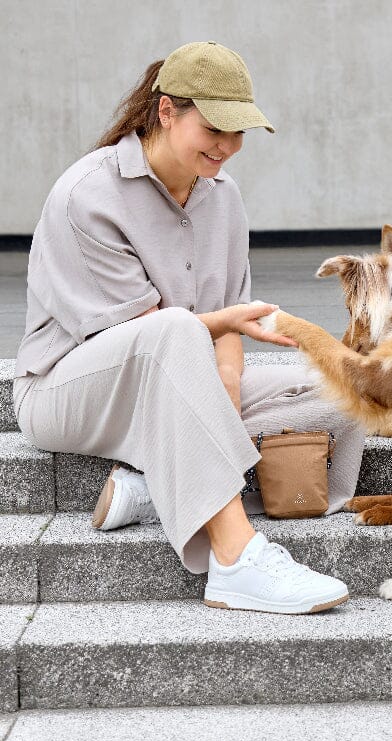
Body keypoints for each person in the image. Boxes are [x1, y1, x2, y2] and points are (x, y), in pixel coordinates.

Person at [13, 41, 365, 614]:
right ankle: (234, 559)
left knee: (337, 396)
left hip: (173, 376)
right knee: (175, 329)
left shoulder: (223, 197)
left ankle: (160, 489)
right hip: (66, 392)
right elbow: (145, 335)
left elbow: (225, 325)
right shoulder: (88, 195)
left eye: (238, 132)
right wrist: (219, 330)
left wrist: (223, 388)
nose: (227, 148)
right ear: (166, 111)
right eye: (214, 129)